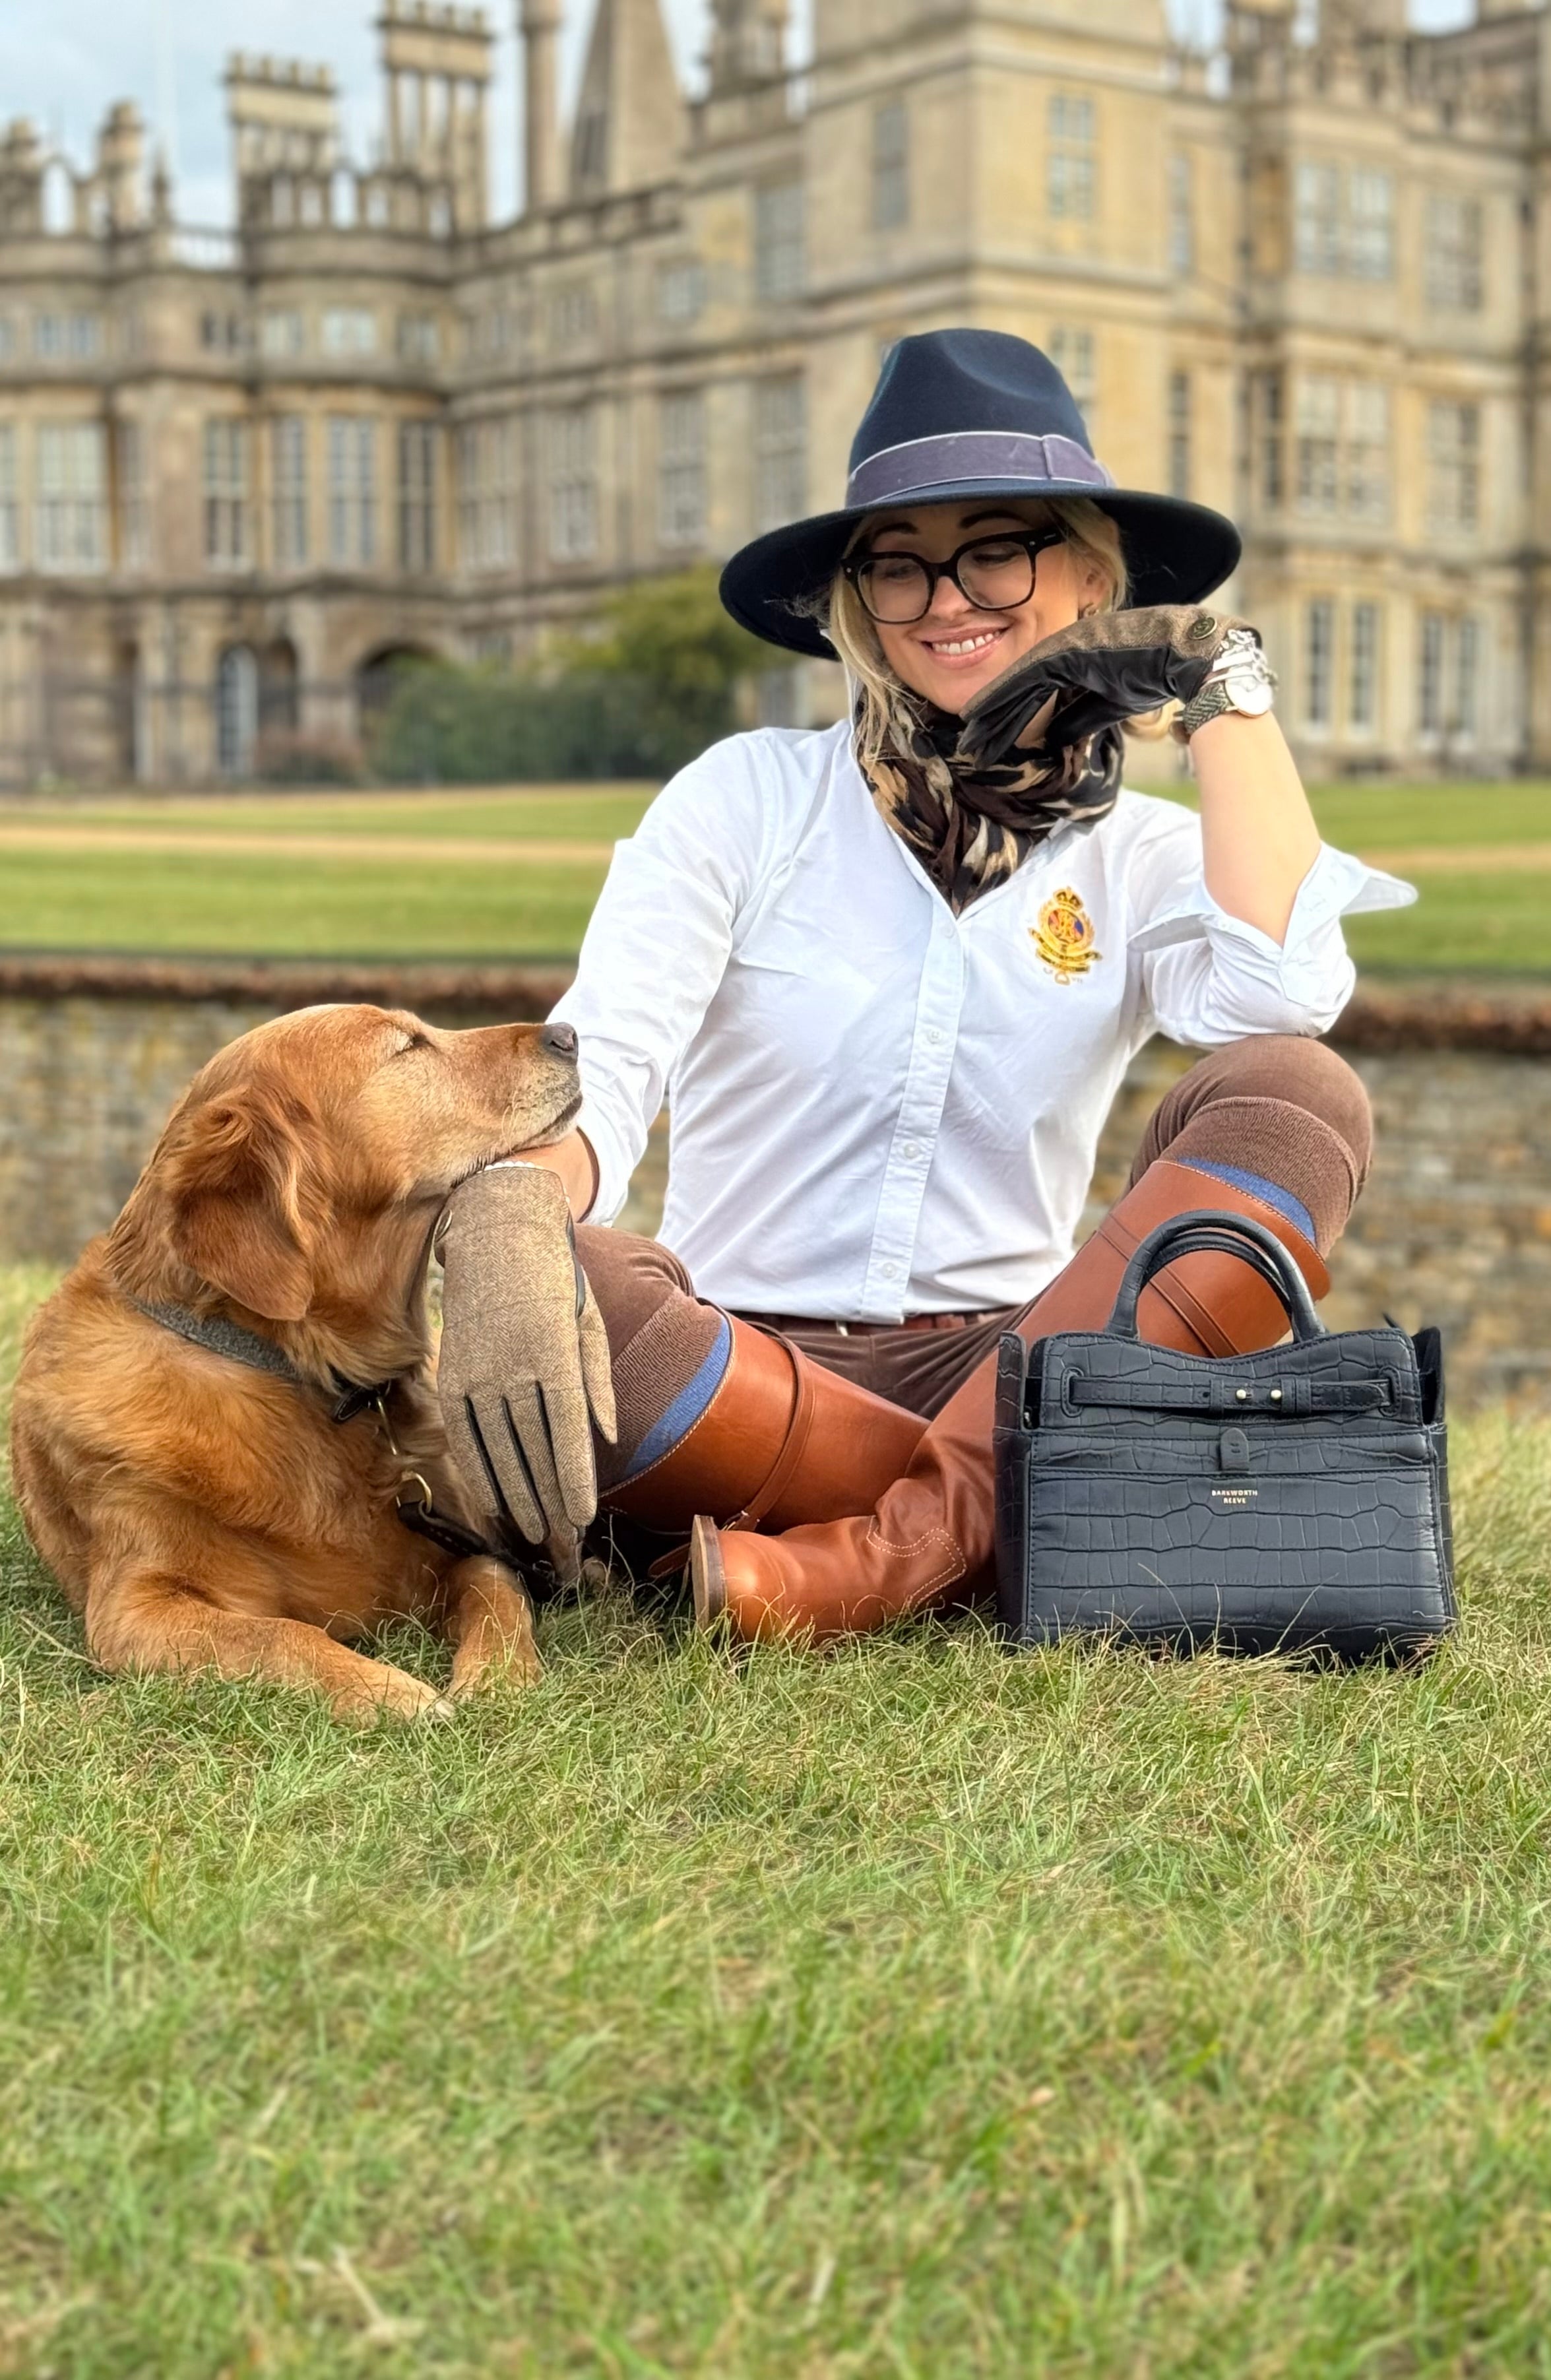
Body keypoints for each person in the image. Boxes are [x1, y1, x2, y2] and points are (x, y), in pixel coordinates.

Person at [432, 328, 1414, 1643]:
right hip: (735, 1368)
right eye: (900, 566)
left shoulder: (1138, 858)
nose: (948, 599)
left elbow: (1288, 988)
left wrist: (1213, 677)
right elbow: (605, 1071)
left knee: (1301, 1092)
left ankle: (880, 1557)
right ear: (858, 604)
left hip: (1004, 1365)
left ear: (1089, 577)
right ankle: (1031, 1519)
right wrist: (507, 1214)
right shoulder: (747, 800)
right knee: (590, 1305)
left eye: (995, 548)